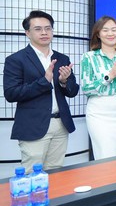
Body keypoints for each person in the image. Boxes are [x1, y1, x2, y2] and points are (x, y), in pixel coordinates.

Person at [4, 10, 79, 173]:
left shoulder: (62, 58)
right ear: (27, 33)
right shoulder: (16, 60)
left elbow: (73, 91)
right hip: (33, 126)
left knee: (56, 172)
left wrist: (64, 81)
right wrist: (44, 82)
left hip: (61, 124)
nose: (44, 32)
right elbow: (11, 93)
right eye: (38, 29)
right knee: (32, 175)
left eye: (48, 28)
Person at [80, 16, 116, 160]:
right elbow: (86, 88)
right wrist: (109, 76)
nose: (110, 33)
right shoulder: (89, 57)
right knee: (105, 154)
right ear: (98, 34)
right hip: (99, 113)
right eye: (105, 30)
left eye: (114, 30)